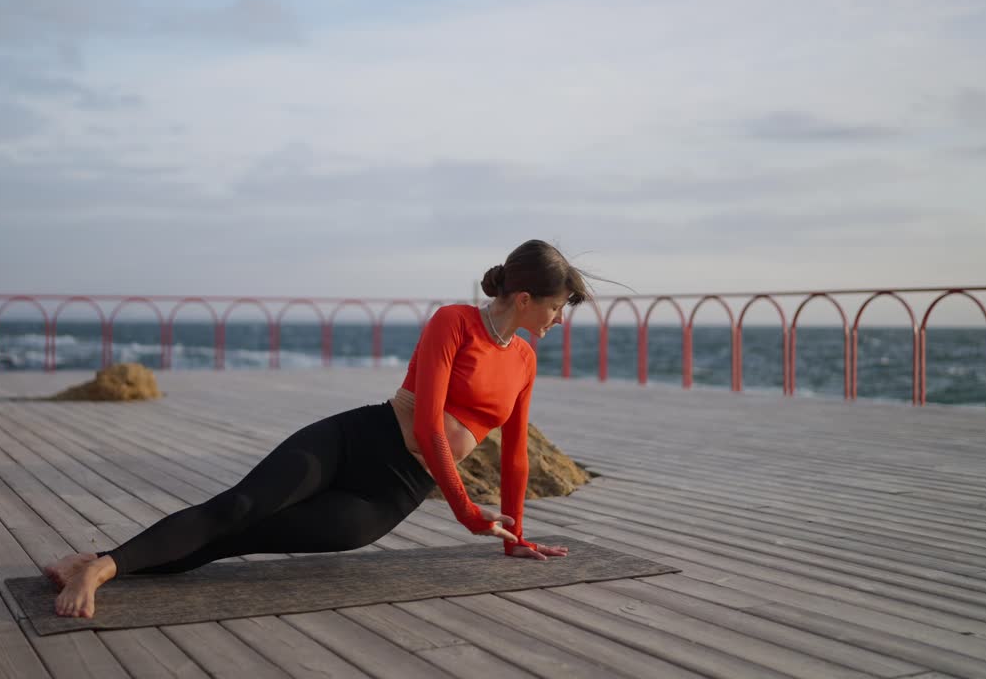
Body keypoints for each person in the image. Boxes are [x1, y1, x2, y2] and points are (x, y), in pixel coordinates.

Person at [45, 239, 591, 618]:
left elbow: (515, 453)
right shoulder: (454, 322)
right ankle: (102, 570)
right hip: (357, 441)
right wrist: (468, 514)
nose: (559, 319)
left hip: (393, 494)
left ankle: (93, 564)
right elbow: (427, 424)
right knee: (238, 508)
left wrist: (515, 538)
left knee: (240, 538)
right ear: (524, 299)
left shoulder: (524, 361)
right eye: (558, 307)